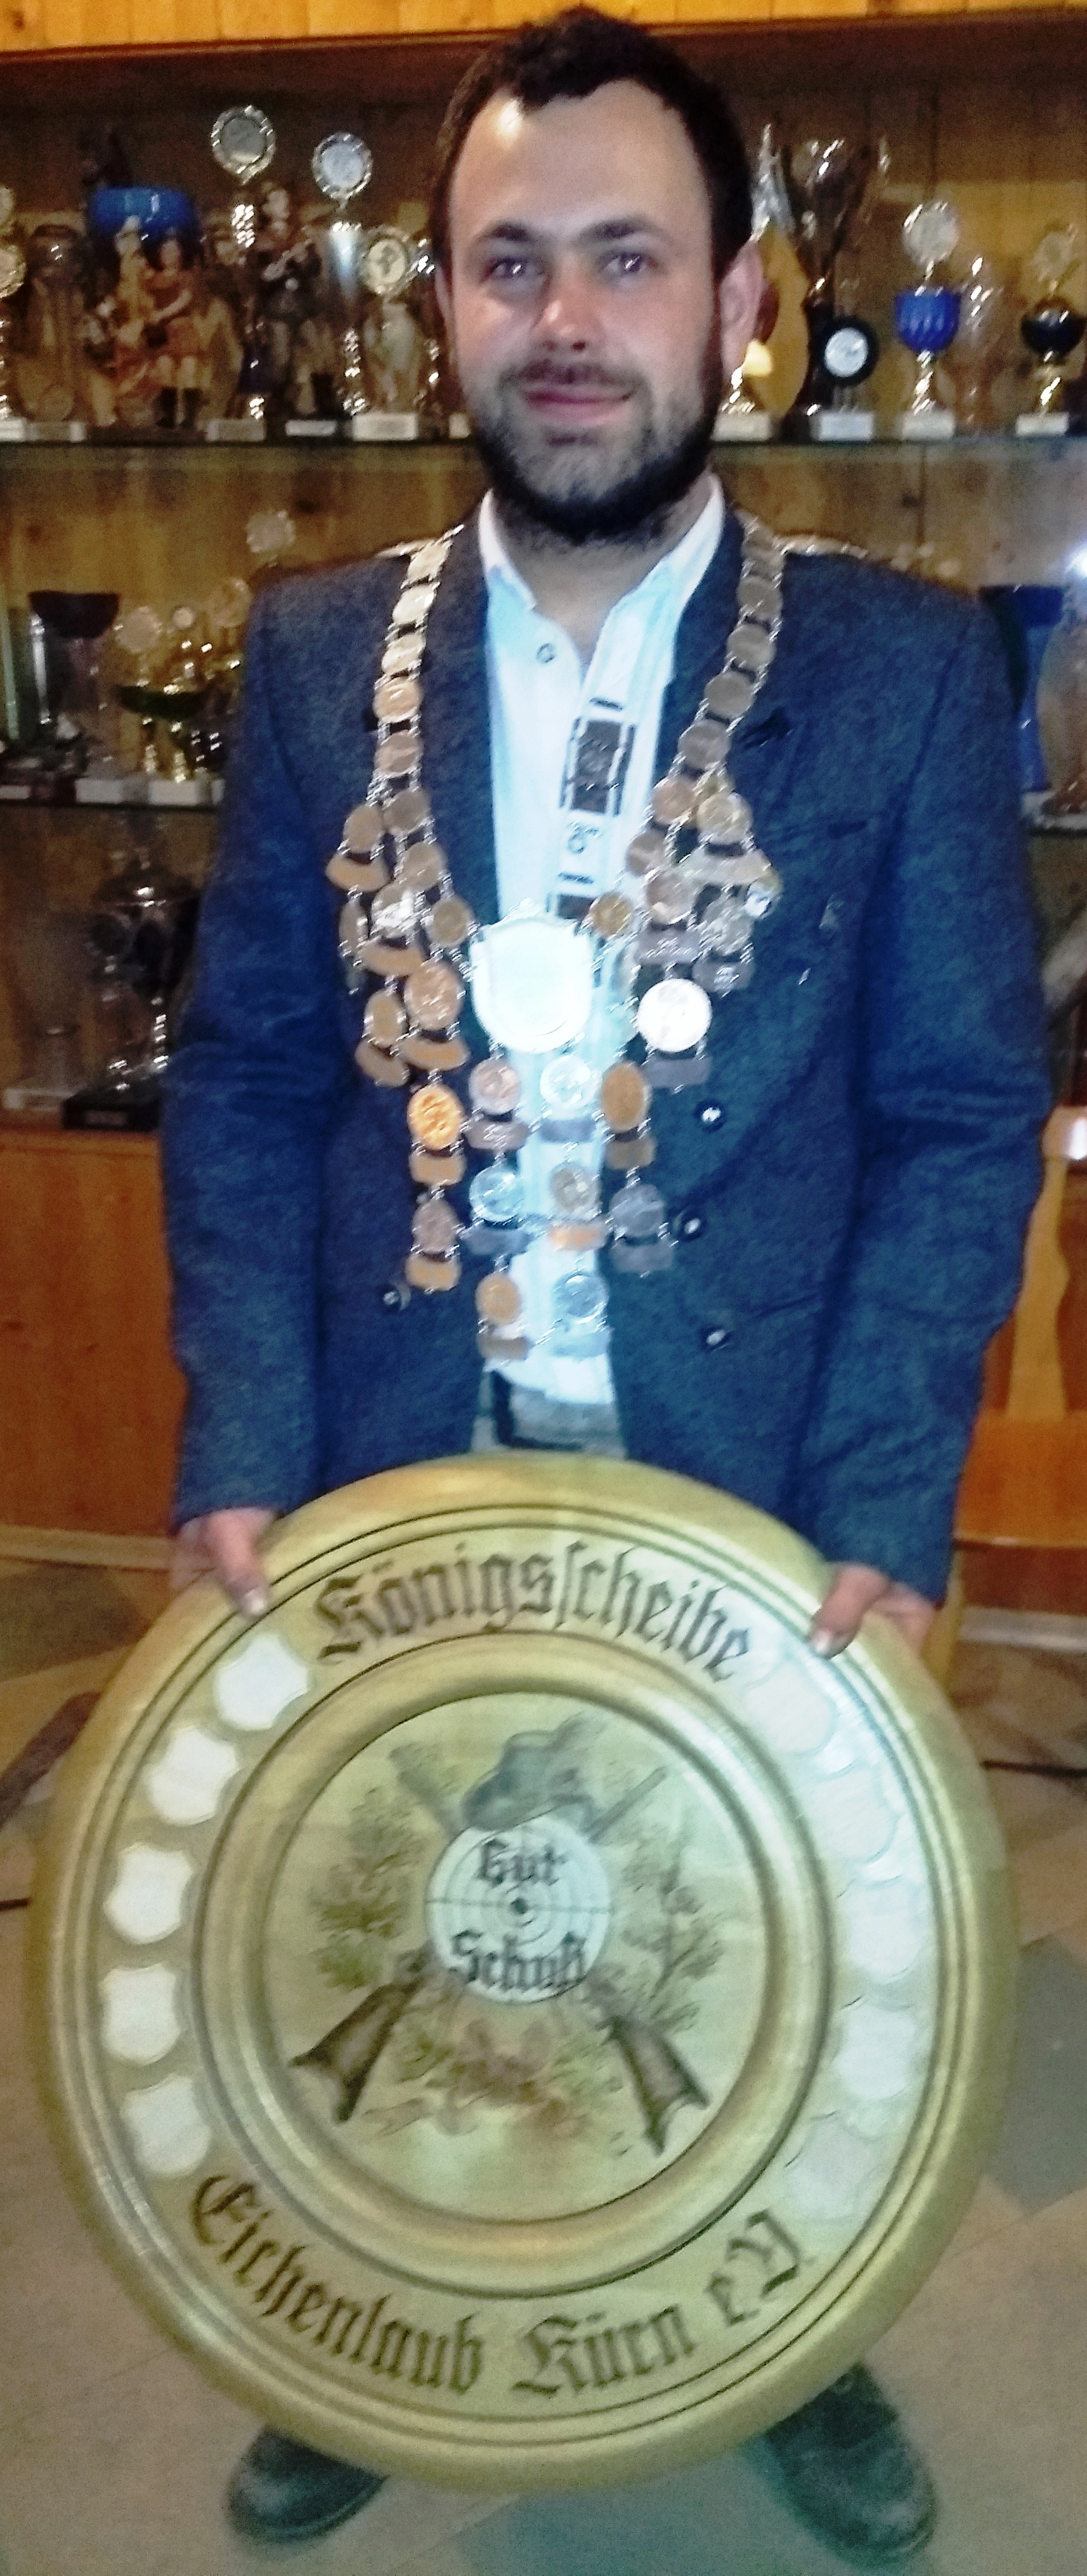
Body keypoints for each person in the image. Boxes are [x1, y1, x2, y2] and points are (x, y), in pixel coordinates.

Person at [163, 10, 1048, 2558]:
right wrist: (243, 1433)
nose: (566, 320)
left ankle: (802, 2324)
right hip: (389, 1457)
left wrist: (880, 1488)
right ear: (439, 300)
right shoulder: (314, 656)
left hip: (744, 1473)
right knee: (386, 1896)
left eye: (627, 261)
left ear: (742, 303)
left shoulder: (903, 672)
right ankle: (367, 2312)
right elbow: (248, 1079)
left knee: (749, 1929)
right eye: (509, 262)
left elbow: (957, 1112)